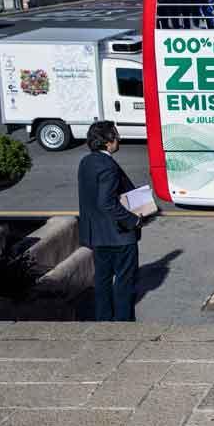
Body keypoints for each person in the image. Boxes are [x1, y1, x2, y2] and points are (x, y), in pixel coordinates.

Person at [77, 121, 143, 322]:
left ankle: (103, 322)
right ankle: (123, 325)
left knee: (102, 282)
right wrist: (133, 220)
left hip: (97, 235)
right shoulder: (109, 166)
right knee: (124, 285)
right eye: (116, 135)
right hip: (119, 237)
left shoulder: (86, 162)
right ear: (107, 142)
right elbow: (106, 202)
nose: (119, 139)